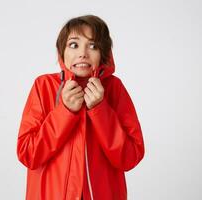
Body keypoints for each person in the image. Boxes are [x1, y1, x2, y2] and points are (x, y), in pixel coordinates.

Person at [16, 14, 145, 200]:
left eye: (92, 46)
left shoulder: (115, 89)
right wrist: (64, 112)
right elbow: (28, 154)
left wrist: (100, 110)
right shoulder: (43, 86)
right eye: (74, 45)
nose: (83, 53)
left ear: (104, 53)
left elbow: (130, 157)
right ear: (62, 52)